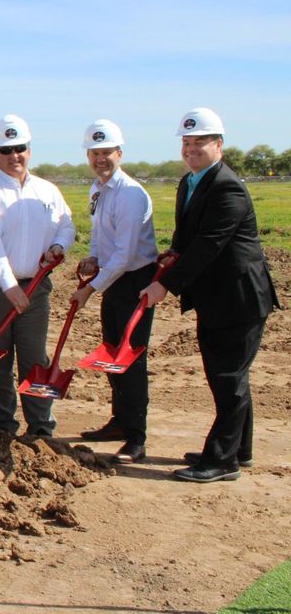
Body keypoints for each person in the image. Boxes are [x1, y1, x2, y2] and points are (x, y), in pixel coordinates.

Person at [141, 107, 278, 482]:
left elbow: (211, 244)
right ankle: (239, 448)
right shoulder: (191, 182)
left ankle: (222, 460)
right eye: (186, 142)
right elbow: (189, 237)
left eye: (199, 142)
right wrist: (172, 255)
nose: (191, 149)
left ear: (219, 144)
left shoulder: (227, 186)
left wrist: (165, 284)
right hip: (216, 297)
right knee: (229, 375)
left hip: (239, 297)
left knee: (228, 376)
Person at [0, 114, 75, 437]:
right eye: (6, 150)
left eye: (20, 148)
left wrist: (58, 245)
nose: (14, 156)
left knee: (34, 356)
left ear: (29, 149)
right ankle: (4, 426)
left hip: (36, 286)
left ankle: (41, 427)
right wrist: (9, 285)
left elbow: (66, 224)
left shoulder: (47, 190)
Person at [70, 120, 159, 464]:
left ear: (119, 153)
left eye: (107, 152)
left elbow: (124, 254)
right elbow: (98, 235)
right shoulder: (97, 189)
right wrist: (93, 257)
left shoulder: (132, 194)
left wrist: (90, 289)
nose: (100, 158)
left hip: (135, 282)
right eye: (94, 153)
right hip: (113, 280)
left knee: (130, 359)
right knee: (112, 354)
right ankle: (119, 422)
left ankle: (137, 437)